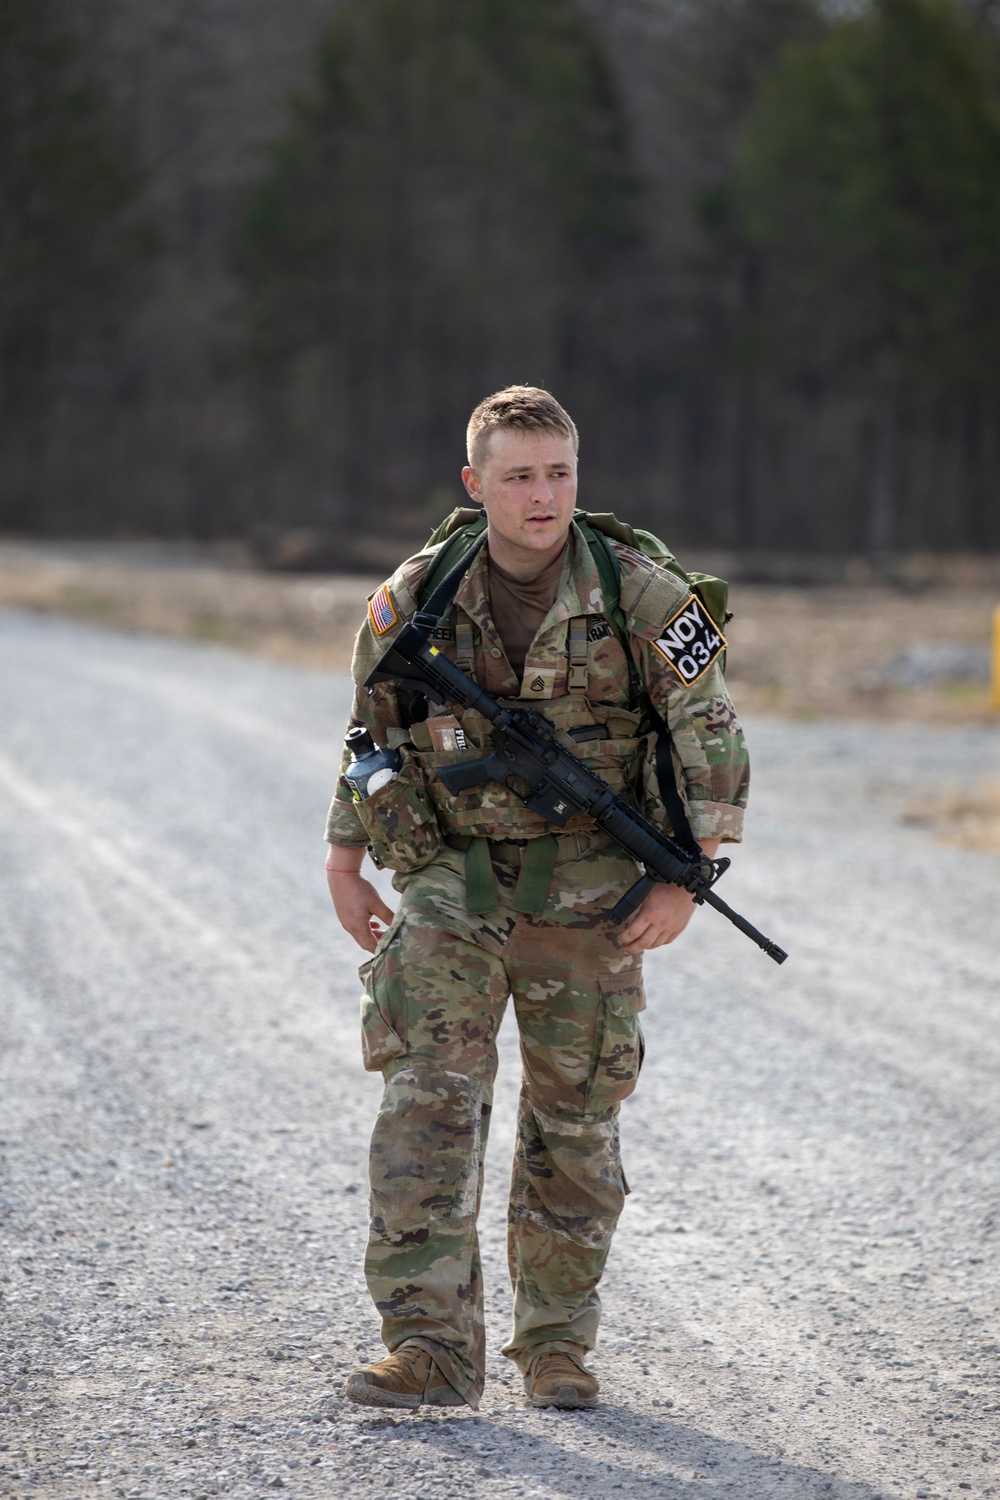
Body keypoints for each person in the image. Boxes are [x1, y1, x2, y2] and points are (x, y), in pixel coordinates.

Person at [324, 385, 749, 1412]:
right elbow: (369, 733)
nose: (543, 493)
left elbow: (713, 743)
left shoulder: (646, 598)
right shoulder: (416, 595)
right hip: (451, 884)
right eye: (518, 475)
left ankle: (555, 1347)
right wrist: (345, 859)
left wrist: (687, 879)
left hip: (596, 893)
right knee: (426, 1109)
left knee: (576, 1127)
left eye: (558, 471)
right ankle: (427, 1347)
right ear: (476, 485)